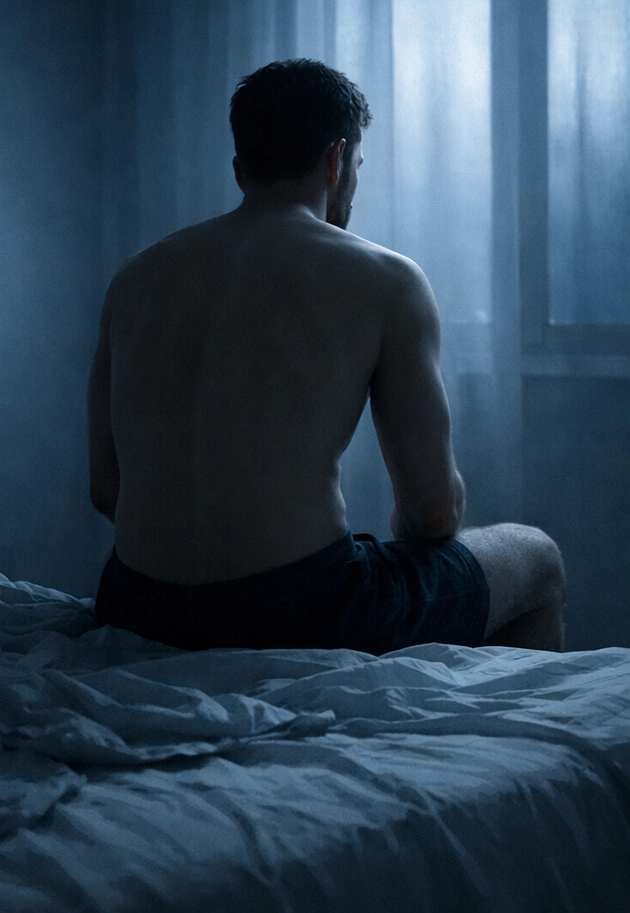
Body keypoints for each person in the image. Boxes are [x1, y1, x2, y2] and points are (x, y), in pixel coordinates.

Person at [88, 58, 566, 655]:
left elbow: (107, 490)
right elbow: (434, 514)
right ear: (337, 160)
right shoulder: (386, 278)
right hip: (295, 610)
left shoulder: (135, 278)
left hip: (135, 604)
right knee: (537, 557)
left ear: (242, 170)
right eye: (358, 166)